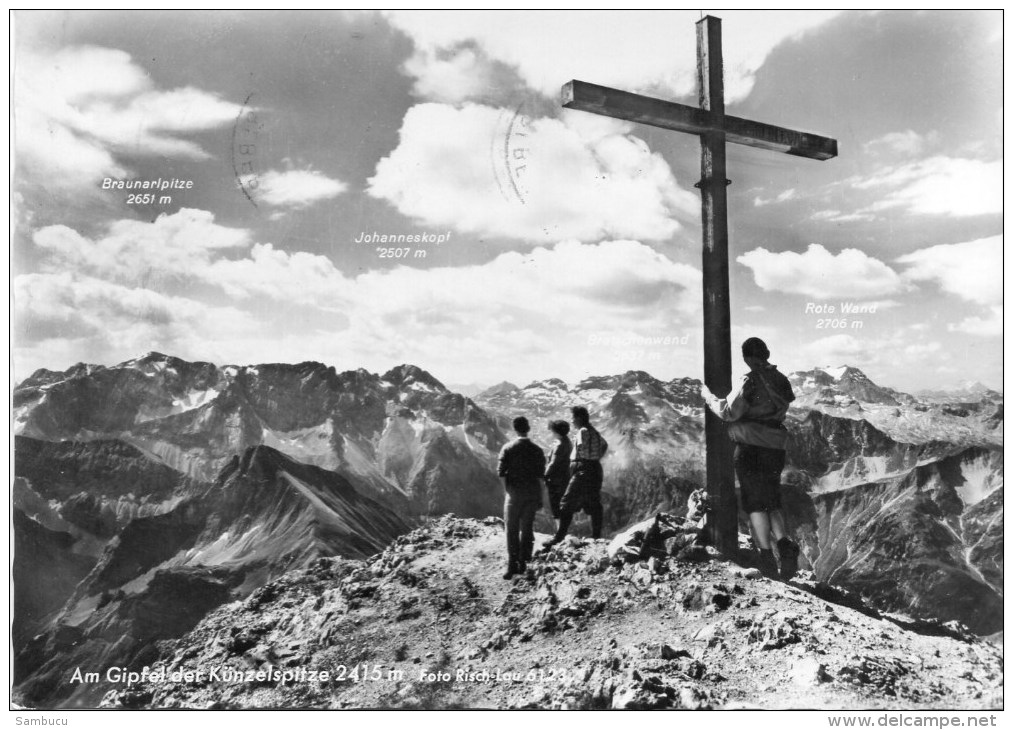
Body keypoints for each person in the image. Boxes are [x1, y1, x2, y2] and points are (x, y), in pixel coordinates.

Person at [701, 337, 801, 581]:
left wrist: (708, 397)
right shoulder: (781, 380)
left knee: (756, 504)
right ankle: (785, 546)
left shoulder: (750, 381)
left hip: (750, 448)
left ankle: (766, 557)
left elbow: (729, 412)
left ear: (746, 357)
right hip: (775, 448)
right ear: (766, 353)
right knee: (772, 499)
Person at [543, 406, 608, 548]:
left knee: (566, 503)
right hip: (595, 469)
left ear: (578, 418)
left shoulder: (582, 431)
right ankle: (596, 536)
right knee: (593, 503)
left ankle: (559, 537)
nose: (572, 421)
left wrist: (580, 461)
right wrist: (596, 457)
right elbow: (604, 445)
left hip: (583, 470)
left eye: (573, 418)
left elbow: (582, 449)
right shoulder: (594, 431)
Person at [496, 416, 546, 579]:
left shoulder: (507, 448)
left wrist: (507, 491)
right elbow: (541, 477)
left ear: (514, 429)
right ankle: (524, 564)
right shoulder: (537, 449)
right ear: (528, 428)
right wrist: (540, 497)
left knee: (511, 529)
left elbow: (501, 473)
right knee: (527, 529)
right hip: (532, 493)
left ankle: (512, 565)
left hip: (514, 494)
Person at [544, 420, 572, 523]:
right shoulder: (567, 442)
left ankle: (559, 533)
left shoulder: (560, 445)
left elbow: (553, 463)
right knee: (562, 505)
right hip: (565, 478)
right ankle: (562, 532)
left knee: (556, 506)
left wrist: (545, 475)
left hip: (556, 480)